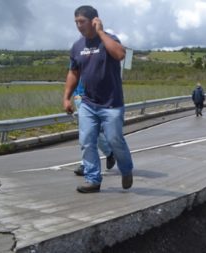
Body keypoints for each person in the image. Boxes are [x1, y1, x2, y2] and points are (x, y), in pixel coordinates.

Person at [62, 5, 134, 193]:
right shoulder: (77, 46)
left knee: (114, 139)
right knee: (86, 141)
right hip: (88, 102)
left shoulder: (109, 40)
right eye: (76, 22)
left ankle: (126, 170)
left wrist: (101, 33)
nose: (78, 25)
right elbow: (73, 72)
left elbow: (120, 55)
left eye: (82, 21)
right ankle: (93, 179)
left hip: (111, 103)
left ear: (95, 21)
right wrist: (67, 97)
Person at [72, 78, 115, 176]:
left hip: (94, 97)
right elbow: (73, 74)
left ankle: (86, 165)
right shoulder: (76, 62)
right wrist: (69, 96)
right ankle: (109, 153)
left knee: (89, 132)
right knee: (88, 132)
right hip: (79, 98)